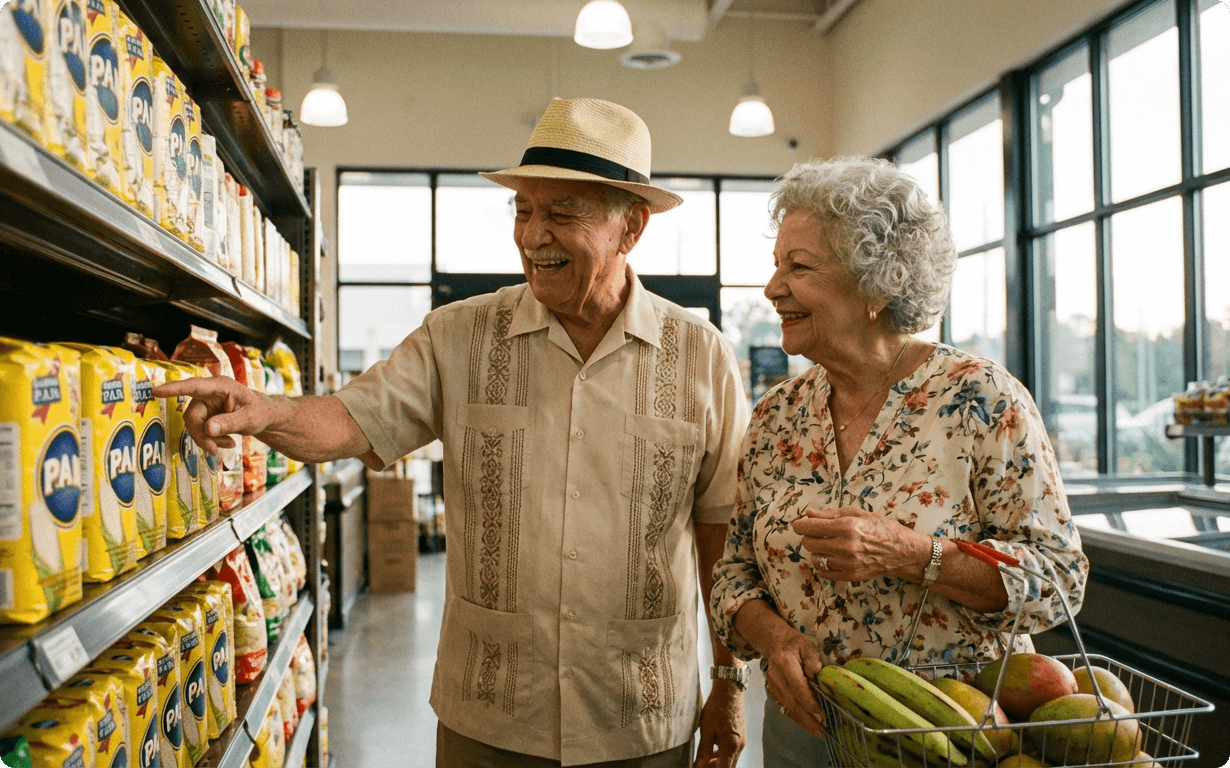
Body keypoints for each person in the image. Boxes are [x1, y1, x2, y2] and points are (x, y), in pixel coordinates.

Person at [156, 97, 751, 768]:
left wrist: (729, 680)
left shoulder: (701, 357)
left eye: (562, 213)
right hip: (491, 720)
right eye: (523, 211)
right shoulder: (458, 337)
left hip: (640, 723)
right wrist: (265, 410)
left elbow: (720, 535)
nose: (533, 236)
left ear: (631, 228)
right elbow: (351, 419)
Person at [708, 156, 1089, 767]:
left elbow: (1059, 582)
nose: (773, 287)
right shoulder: (777, 415)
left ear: (878, 284)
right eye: (777, 265)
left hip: (954, 736)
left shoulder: (980, 398)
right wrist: (775, 641)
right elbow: (734, 573)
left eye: (798, 267)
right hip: (804, 731)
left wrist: (913, 555)